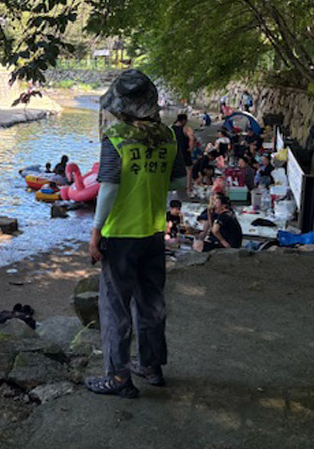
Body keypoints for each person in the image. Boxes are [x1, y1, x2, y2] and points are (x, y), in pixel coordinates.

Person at [86, 69, 180, 398]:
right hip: (153, 232)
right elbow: (179, 183)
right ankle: (151, 366)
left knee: (115, 307)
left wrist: (96, 231)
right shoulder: (168, 135)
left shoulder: (116, 137)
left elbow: (109, 188)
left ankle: (118, 377)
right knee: (151, 302)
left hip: (120, 235)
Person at [172, 113, 195, 196]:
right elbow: (192, 138)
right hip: (184, 151)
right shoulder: (186, 128)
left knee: (173, 169)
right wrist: (191, 148)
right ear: (184, 120)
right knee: (189, 169)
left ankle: (174, 188)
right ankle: (189, 189)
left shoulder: (171, 128)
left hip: (174, 151)